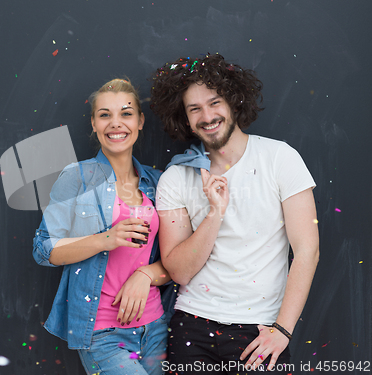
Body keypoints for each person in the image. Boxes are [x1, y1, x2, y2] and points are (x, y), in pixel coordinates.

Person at [150, 54, 319, 374]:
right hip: (191, 329)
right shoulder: (176, 177)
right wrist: (215, 212)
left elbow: (307, 251)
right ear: (184, 118)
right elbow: (180, 272)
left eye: (214, 102)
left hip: (260, 332)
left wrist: (283, 330)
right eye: (194, 108)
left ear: (233, 101)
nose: (207, 115)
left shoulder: (280, 159)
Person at [33, 78, 171, 375]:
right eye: (105, 115)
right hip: (102, 333)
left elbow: (176, 259)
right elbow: (43, 249)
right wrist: (105, 239)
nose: (115, 123)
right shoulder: (77, 177)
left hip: (156, 325)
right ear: (94, 124)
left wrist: (146, 276)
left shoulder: (158, 182)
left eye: (126, 113)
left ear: (140, 121)